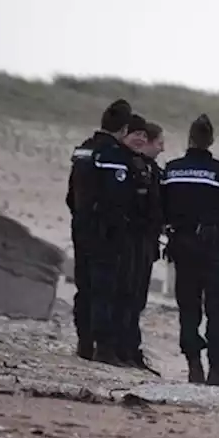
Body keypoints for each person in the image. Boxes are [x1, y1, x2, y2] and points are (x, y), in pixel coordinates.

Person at [161, 113, 219, 386]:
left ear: (189, 138)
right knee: (217, 310)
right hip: (211, 247)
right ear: (211, 140)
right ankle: (217, 369)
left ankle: (193, 366)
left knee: (188, 308)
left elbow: (160, 207)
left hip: (181, 246)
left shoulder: (171, 170)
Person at [69, 107, 147, 366]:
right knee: (105, 288)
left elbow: (72, 194)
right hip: (106, 231)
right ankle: (103, 348)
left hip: (81, 225)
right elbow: (117, 198)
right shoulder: (112, 155)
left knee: (84, 286)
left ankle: (84, 342)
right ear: (124, 129)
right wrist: (120, 226)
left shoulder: (83, 149)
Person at [119, 117, 166, 373]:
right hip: (132, 240)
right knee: (128, 295)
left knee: (137, 298)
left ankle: (130, 350)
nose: (162, 148)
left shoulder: (151, 170)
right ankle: (122, 349)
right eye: (159, 142)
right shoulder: (133, 167)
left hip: (146, 240)